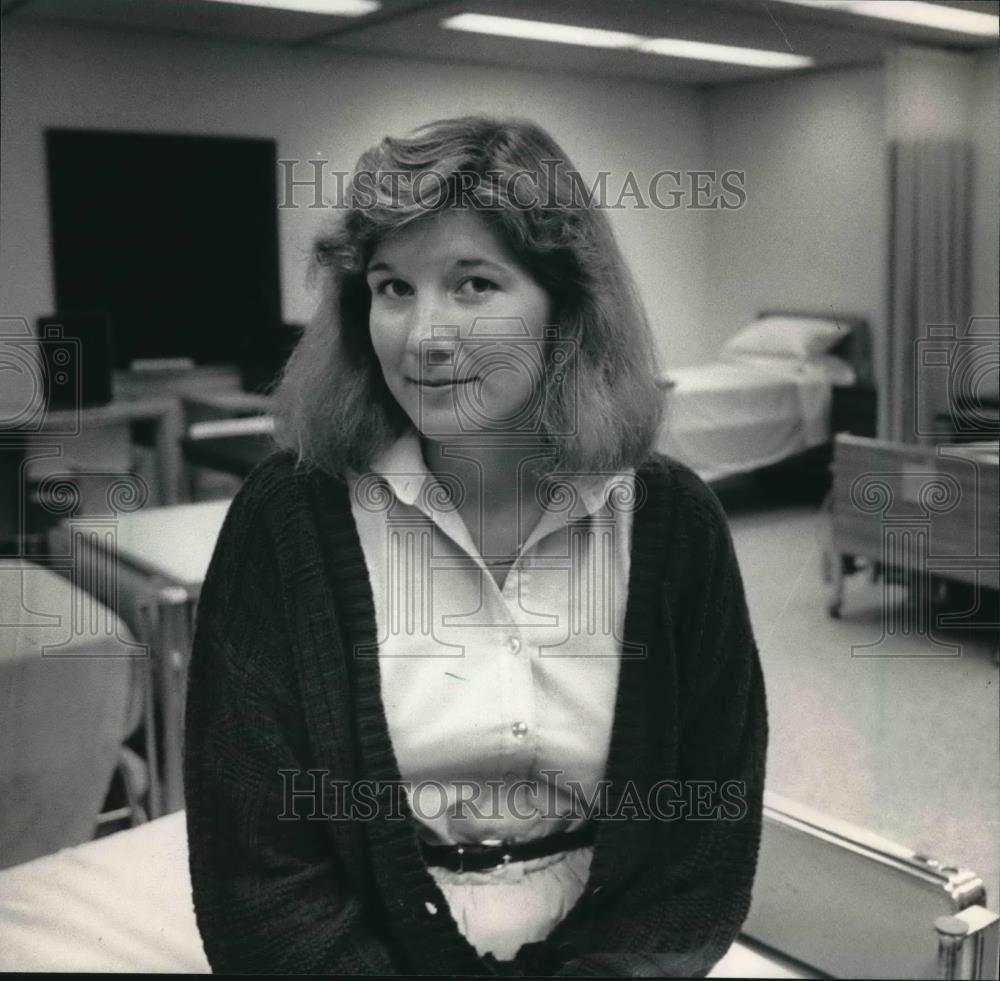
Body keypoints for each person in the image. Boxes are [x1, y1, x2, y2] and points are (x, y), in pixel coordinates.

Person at [183, 116, 768, 977]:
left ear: (565, 305)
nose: (424, 337)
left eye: (473, 284)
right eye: (392, 288)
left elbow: (707, 831)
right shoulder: (288, 519)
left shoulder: (674, 524)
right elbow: (256, 868)